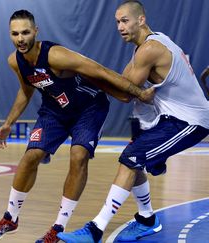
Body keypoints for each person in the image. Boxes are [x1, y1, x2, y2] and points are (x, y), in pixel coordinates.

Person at [0, 10, 153, 243]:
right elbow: (26, 89)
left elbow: (100, 71)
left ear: (35, 31)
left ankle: (58, 227)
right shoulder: (15, 61)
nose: (20, 38)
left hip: (88, 109)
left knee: (78, 155)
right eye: (15, 34)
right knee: (31, 155)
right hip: (54, 111)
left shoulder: (56, 56)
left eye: (25, 32)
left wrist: (138, 92)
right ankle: (10, 218)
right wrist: (8, 123)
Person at [57, 1, 209, 242]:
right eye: (117, 22)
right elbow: (123, 84)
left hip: (190, 121)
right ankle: (147, 219)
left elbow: (124, 93)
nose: (119, 26)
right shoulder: (149, 44)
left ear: (141, 20)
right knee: (133, 157)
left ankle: (96, 229)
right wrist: (93, 73)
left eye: (125, 20)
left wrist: (85, 71)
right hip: (170, 119)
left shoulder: (150, 49)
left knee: (131, 158)